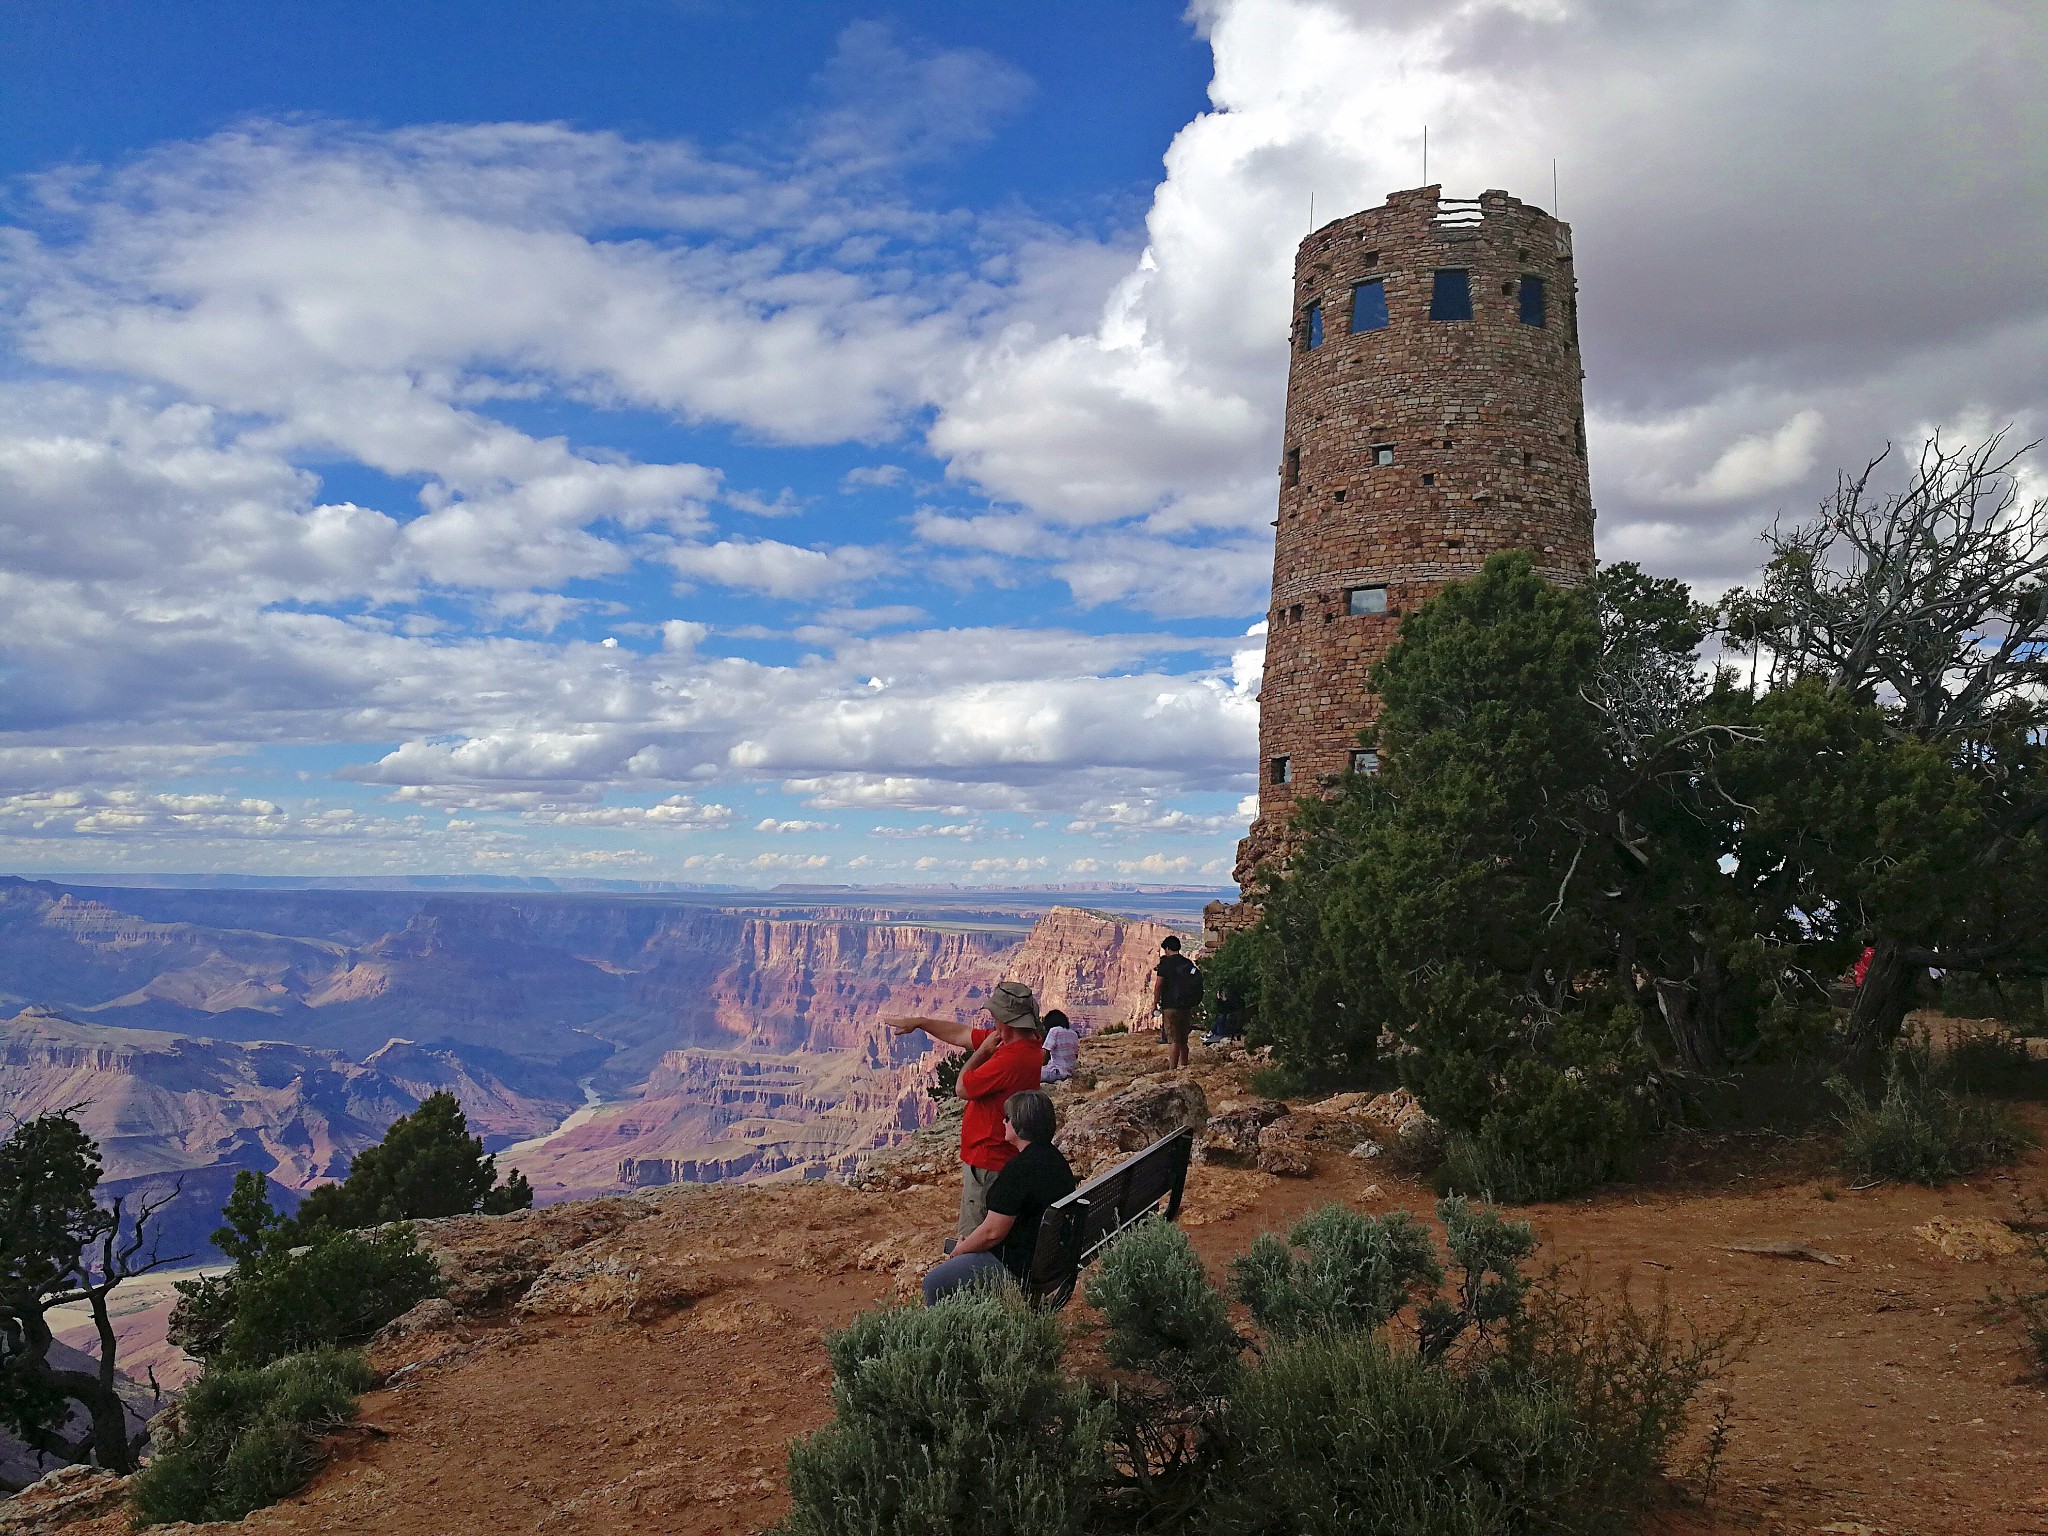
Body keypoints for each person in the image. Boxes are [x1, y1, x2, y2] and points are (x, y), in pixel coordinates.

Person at [886, 980, 1045, 1241]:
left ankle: (969, 1278)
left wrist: (981, 1053)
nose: (992, 1022)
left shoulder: (1010, 1058)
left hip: (988, 1159)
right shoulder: (1025, 1042)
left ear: (1005, 1021)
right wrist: (920, 1022)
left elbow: (961, 1087)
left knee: (975, 1237)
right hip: (998, 1156)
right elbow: (961, 1035)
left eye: (995, 1017)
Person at [921, 1089, 1076, 1305]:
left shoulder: (1019, 1170)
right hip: (1049, 1263)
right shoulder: (1055, 1160)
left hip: (1017, 1267)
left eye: (1008, 1118)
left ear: (1020, 1125)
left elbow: (993, 1232)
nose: (1003, 1122)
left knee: (934, 1282)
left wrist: (961, 1250)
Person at [1152, 935, 1202, 1071]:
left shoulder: (1165, 965)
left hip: (1170, 1006)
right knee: (1183, 1040)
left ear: (1167, 948)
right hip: (1186, 1006)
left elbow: (1158, 985)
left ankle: (1173, 1070)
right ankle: (1184, 1066)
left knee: (1173, 1040)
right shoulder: (1187, 963)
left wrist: (1155, 1003)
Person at [1040, 1008, 1080, 1084]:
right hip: (1069, 1072)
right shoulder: (1073, 1034)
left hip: (1056, 1072)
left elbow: (1044, 1052)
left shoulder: (1054, 1031)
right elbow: (1075, 1054)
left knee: (1029, 1074)